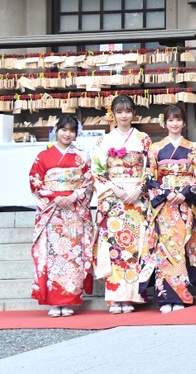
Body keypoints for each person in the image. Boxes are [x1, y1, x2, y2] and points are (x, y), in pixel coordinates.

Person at [139, 105, 196, 313]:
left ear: (184, 123)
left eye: (178, 119)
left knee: (182, 246)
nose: (175, 123)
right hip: (165, 205)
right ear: (164, 123)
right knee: (165, 249)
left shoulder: (193, 147)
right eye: (171, 120)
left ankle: (181, 294)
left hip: (184, 203)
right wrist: (167, 193)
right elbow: (150, 175)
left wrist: (184, 193)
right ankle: (166, 296)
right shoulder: (155, 148)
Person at [29, 115, 94, 317]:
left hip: (74, 213)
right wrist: (55, 197)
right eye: (64, 129)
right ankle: (53, 301)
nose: (68, 134)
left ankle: (69, 300)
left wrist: (75, 195)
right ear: (56, 130)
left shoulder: (82, 157)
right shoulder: (43, 156)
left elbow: (89, 181)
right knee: (53, 255)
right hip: (53, 214)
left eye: (72, 131)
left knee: (73, 255)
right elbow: (35, 182)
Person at [92, 94, 151, 314]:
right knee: (114, 248)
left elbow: (149, 169)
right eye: (119, 112)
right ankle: (116, 297)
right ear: (113, 114)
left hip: (136, 200)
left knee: (135, 248)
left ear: (133, 113)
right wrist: (114, 189)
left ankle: (133, 296)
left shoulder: (143, 139)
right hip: (114, 200)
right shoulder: (104, 141)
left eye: (127, 111)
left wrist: (139, 189)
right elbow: (97, 170)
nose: (124, 116)